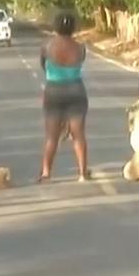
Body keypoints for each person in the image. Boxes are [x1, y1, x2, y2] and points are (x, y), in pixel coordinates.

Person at [38, 13, 89, 182]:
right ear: (73, 28)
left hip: (53, 90)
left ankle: (46, 173)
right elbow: (80, 62)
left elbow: (44, 67)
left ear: (55, 27)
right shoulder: (80, 48)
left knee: (52, 136)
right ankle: (82, 172)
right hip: (76, 90)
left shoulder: (47, 47)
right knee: (78, 135)